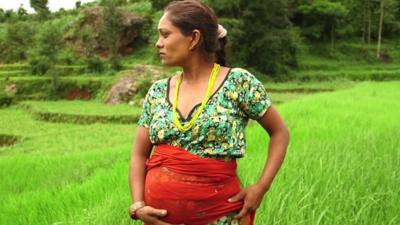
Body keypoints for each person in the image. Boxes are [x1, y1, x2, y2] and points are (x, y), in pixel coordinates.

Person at [128, 0, 289, 224]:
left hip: (221, 215)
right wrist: (138, 206)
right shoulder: (157, 91)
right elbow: (139, 155)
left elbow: (280, 132)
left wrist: (261, 187)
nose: (158, 43)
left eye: (165, 35)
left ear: (193, 38)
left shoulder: (238, 82)